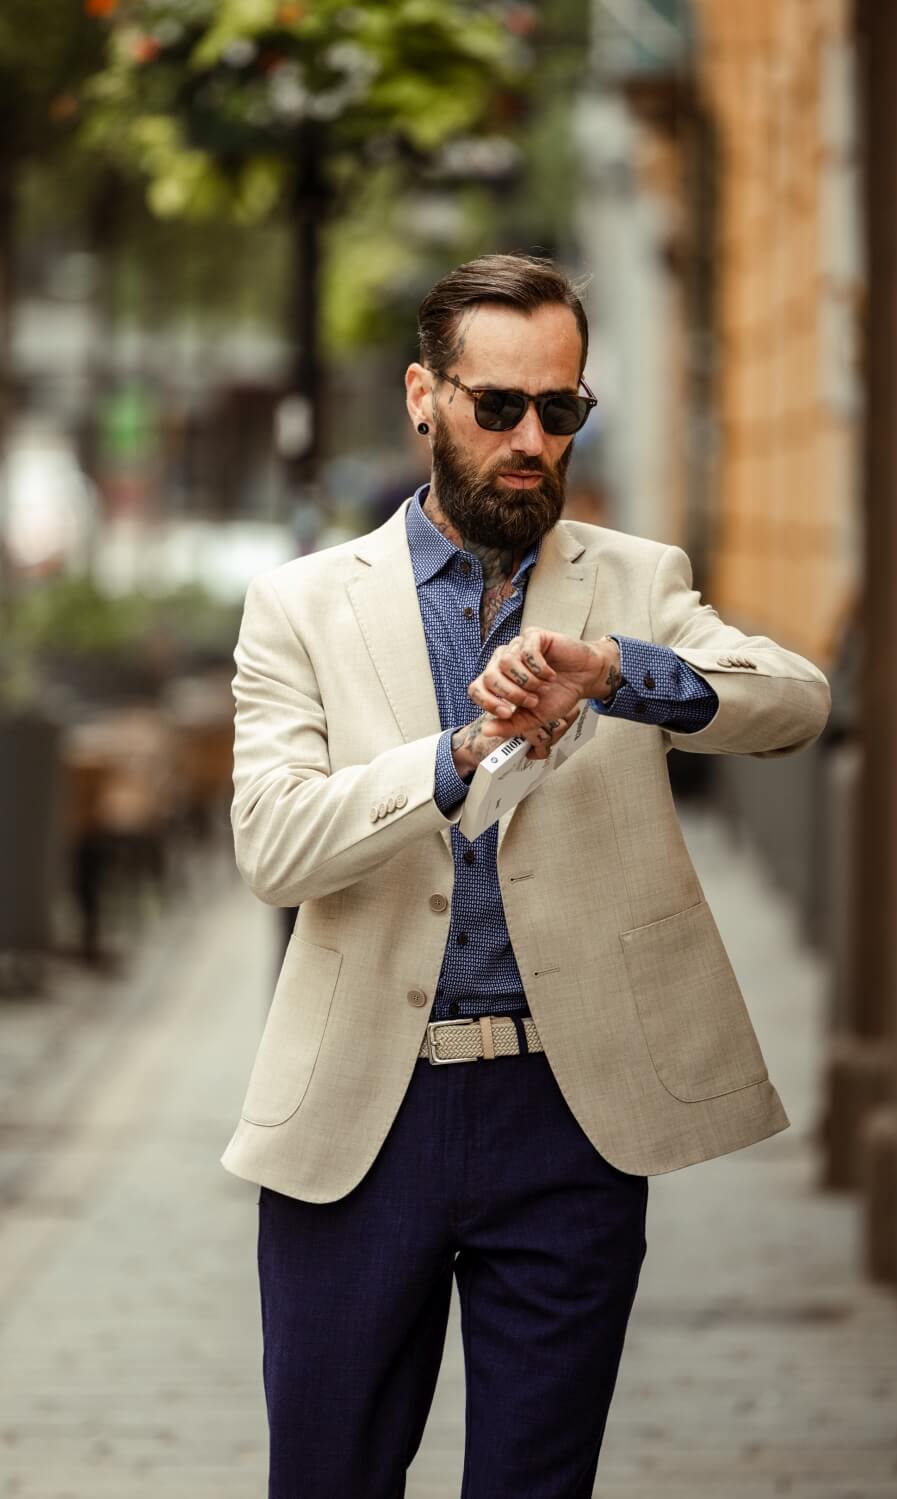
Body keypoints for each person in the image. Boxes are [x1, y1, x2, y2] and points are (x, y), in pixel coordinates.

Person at [222, 253, 831, 1499]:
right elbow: (271, 844)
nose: (529, 439)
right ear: (422, 396)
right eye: (497, 406)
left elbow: (795, 703)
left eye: (561, 410)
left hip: (570, 1112)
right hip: (361, 1120)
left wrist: (618, 671)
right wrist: (451, 758)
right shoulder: (301, 606)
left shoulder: (634, 581)